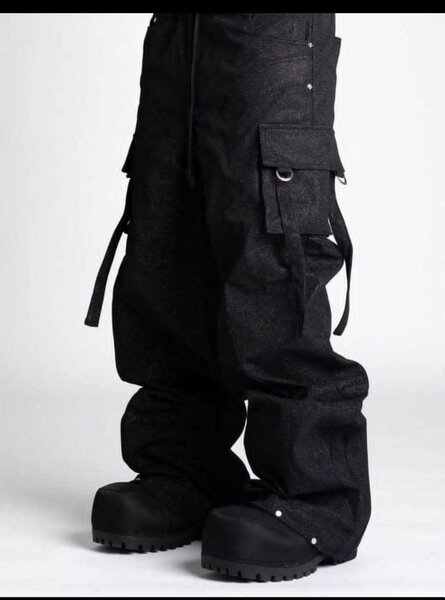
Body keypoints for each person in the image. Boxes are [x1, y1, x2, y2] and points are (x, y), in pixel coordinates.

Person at [85, 13, 371, 582]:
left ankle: (317, 502)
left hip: (273, 33)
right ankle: (188, 471)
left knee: (270, 254)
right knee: (167, 238)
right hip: (180, 36)